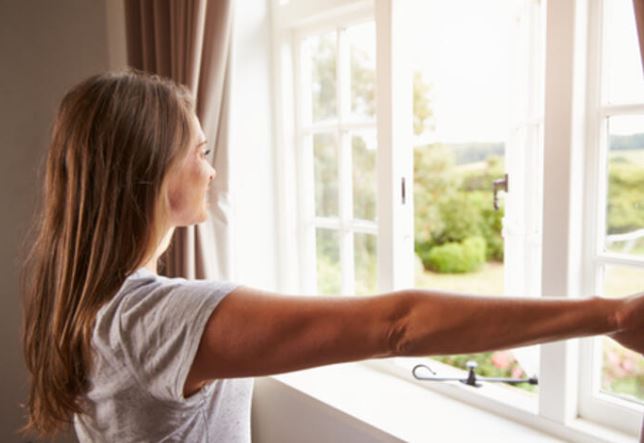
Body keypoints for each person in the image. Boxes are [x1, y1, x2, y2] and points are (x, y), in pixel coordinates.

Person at [21, 70, 644, 442]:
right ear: (153, 169)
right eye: (200, 152)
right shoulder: (156, 318)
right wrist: (612, 315)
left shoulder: (87, 295)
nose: (210, 171)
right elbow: (398, 325)